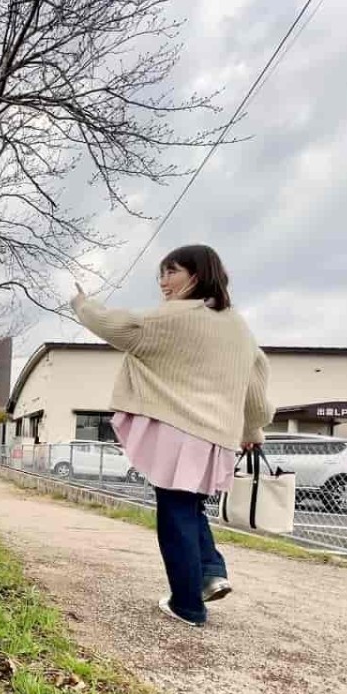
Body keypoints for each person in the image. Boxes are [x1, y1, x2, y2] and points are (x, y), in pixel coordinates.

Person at [72, 244, 274, 627]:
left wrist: (84, 305)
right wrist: (253, 429)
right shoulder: (238, 325)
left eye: (172, 272)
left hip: (182, 431)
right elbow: (254, 385)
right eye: (162, 274)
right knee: (191, 507)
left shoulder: (178, 317)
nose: (164, 282)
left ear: (196, 275)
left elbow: (125, 330)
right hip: (217, 438)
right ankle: (211, 571)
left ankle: (187, 606)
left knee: (174, 514)